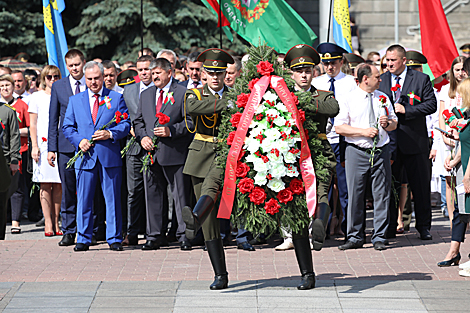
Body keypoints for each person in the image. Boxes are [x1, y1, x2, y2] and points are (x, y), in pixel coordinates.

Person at [275, 44, 339, 252]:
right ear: (291, 73)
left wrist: (299, 102)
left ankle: (317, 228)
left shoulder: (323, 95)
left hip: (318, 150)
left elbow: (333, 108)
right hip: (291, 152)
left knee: (320, 192)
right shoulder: (280, 95)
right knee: (290, 193)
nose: (304, 75)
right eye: (299, 71)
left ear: (313, 72)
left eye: (307, 71)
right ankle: (291, 235)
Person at [62, 61, 130, 252]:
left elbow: (125, 124)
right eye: (90, 79)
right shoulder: (76, 100)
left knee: (113, 199)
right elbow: (67, 126)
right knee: (84, 199)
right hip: (85, 157)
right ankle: (83, 238)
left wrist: (111, 134)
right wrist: (78, 141)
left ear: (103, 77)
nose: (93, 82)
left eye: (97, 78)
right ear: (85, 78)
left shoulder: (116, 98)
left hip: (109, 156)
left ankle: (114, 238)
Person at [181, 48, 235, 289]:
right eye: (211, 73)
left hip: (228, 157)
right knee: (209, 221)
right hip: (201, 157)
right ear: (203, 73)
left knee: (212, 205)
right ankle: (220, 274)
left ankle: (194, 217)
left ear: (226, 74)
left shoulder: (236, 95)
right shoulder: (193, 94)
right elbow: (196, 109)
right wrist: (228, 103)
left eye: (219, 73)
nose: (215, 77)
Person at [133, 58, 193, 251]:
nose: (154, 75)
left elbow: (191, 123)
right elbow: (139, 121)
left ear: (170, 72)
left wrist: (171, 131)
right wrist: (142, 138)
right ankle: (155, 235)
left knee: (181, 196)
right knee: (153, 195)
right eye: (152, 72)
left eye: (158, 72)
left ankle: (185, 235)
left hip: (175, 153)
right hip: (151, 154)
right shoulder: (147, 94)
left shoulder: (183, 93)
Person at [335, 64, 398, 250]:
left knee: (382, 194)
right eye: (377, 77)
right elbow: (340, 127)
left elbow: (395, 123)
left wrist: (388, 123)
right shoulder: (349, 99)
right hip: (357, 150)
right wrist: (363, 132)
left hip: (380, 150)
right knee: (355, 194)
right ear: (365, 79)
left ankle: (379, 236)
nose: (380, 79)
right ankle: (355, 236)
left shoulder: (383, 97)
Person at [378, 44, 437, 240]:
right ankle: (388, 227)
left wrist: (407, 110)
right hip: (389, 142)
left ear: (404, 61)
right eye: (387, 60)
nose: (389, 64)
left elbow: (431, 105)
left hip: (414, 141)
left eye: (393, 60)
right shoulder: (382, 80)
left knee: (419, 186)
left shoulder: (420, 79)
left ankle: (423, 226)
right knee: (390, 186)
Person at [313, 43, 357, 237]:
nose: (330, 67)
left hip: (344, 140)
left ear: (341, 62)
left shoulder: (350, 83)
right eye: (326, 63)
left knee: (346, 187)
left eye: (333, 63)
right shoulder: (317, 82)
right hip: (324, 139)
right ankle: (325, 227)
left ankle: (349, 229)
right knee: (325, 188)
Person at [48, 49, 87, 247]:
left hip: (89, 145)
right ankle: (69, 230)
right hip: (65, 147)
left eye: (77, 65)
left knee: (89, 189)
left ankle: (91, 229)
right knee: (68, 189)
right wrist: (51, 148)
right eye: (70, 66)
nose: (74, 69)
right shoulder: (59, 86)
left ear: (83, 63)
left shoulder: (91, 82)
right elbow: (53, 118)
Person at [122, 55, 154, 246]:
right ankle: (132, 232)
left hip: (154, 146)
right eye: (140, 69)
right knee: (133, 191)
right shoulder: (128, 90)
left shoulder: (159, 91)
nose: (144, 73)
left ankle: (154, 232)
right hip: (134, 147)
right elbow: (122, 115)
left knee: (154, 192)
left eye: (147, 69)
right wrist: (130, 127)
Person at [28, 66, 62, 236]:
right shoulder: (36, 97)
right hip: (42, 144)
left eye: (56, 76)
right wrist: (34, 145)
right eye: (49, 77)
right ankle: (47, 221)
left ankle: (57, 222)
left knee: (59, 184)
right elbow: (32, 124)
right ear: (43, 78)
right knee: (45, 184)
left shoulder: (63, 94)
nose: (53, 79)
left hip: (60, 143)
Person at [436, 56, 468, 226]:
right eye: (457, 69)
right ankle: (451, 218)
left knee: (464, 178)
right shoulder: (445, 90)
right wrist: (443, 136)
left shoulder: (468, 89)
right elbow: (442, 114)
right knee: (449, 179)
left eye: (463, 69)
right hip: (447, 138)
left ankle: (465, 215)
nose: (460, 73)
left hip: (464, 136)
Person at [1, 72, 29, 234]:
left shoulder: (21, 105)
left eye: (8, 85)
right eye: (2, 86)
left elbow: (30, 128)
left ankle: (15, 221)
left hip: (18, 151)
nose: (5, 88)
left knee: (16, 187)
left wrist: (14, 131)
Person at [0, 74, 21, 239]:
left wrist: (14, 160)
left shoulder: (7, 111)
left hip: (4, 161)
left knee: (2, 199)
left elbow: (14, 136)